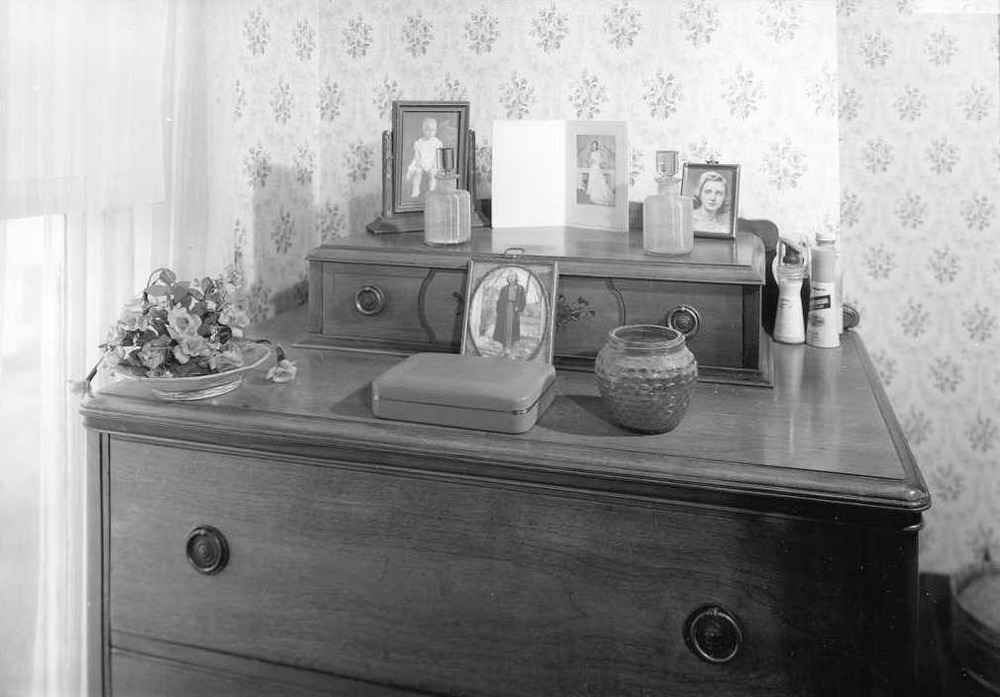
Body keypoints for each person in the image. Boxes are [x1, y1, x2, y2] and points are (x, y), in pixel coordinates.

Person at [405, 117, 443, 199]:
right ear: (423, 130)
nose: (430, 133)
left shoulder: (437, 143)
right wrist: (422, 165)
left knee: (433, 173)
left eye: (433, 130)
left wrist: (432, 165)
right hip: (421, 163)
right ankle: (415, 190)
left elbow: (437, 156)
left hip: (433, 163)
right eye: (428, 130)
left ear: (436, 131)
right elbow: (417, 157)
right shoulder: (419, 143)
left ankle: (432, 191)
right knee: (417, 172)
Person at [492, 273, 526, 351]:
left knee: (513, 324)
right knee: (505, 324)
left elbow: (523, 300)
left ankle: (511, 342)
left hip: (515, 309)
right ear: (508, 279)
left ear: (516, 278)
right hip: (505, 308)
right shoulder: (504, 289)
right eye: (510, 277)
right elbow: (500, 300)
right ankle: (504, 343)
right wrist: (499, 309)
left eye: (513, 277)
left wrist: (519, 307)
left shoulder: (520, 288)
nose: (511, 278)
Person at [585, 140, 613, 206]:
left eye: (595, 145)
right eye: (593, 145)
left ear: (596, 145)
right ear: (592, 145)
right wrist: (589, 162)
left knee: (597, 181)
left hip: (596, 168)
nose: (594, 146)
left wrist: (594, 161)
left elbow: (599, 161)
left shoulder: (598, 152)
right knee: (592, 180)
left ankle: (597, 194)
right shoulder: (591, 152)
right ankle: (592, 192)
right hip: (592, 168)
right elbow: (589, 161)